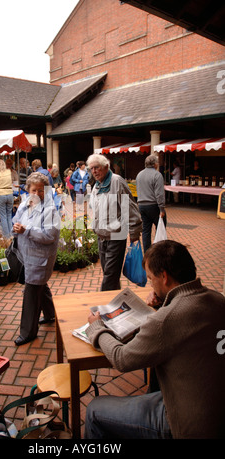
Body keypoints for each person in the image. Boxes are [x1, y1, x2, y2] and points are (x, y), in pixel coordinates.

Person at [85, 240, 225, 439]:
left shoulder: (167, 321)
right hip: (216, 412)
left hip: (186, 424)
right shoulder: (218, 300)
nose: (150, 284)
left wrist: (96, 328)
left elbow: (122, 358)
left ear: (164, 277)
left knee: (95, 410)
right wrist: (165, 302)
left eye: (151, 279)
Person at [12, 172, 60, 346]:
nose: (37, 193)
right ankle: (49, 314)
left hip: (40, 258)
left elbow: (49, 236)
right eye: (34, 190)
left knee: (32, 292)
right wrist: (16, 226)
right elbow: (16, 220)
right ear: (28, 190)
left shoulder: (50, 210)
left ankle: (28, 332)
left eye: (41, 190)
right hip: (27, 255)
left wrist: (26, 231)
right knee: (40, 284)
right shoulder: (25, 203)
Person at [86, 154, 142, 291]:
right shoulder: (97, 186)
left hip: (116, 236)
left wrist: (134, 232)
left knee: (110, 276)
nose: (94, 171)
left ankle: (104, 305)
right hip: (102, 237)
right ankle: (116, 300)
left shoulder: (117, 182)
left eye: (97, 168)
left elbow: (130, 208)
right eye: (91, 168)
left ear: (106, 167)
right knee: (110, 274)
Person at [136, 154, 166, 252]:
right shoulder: (157, 175)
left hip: (141, 205)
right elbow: (159, 194)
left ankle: (147, 254)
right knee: (160, 228)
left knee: (146, 231)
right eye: (157, 162)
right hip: (153, 205)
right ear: (155, 164)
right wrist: (162, 208)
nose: (158, 163)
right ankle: (158, 252)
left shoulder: (139, 174)